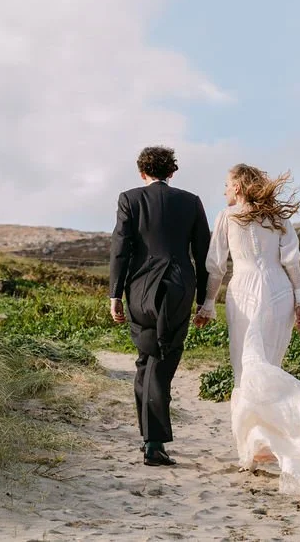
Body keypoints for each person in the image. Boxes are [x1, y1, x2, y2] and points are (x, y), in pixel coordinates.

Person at [194, 164, 300, 494]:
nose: (223, 190)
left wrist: (207, 303)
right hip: (279, 292)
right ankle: (264, 443)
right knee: (268, 368)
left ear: (237, 187)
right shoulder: (278, 218)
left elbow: (216, 266)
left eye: (226, 184)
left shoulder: (227, 216)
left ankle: (253, 450)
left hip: (245, 291)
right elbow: (292, 261)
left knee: (245, 370)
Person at [109, 146, 210, 466]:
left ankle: (150, 438)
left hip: (139, 290)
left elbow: (120, 250)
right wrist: (204, 299)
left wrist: (114, 294)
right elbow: (203, 254)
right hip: (179, 288)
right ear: (172, 172)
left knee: (147, 359)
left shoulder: (130, 199)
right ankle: (153, 443)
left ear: (142, 172)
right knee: (160, 361)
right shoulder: (190, 201)